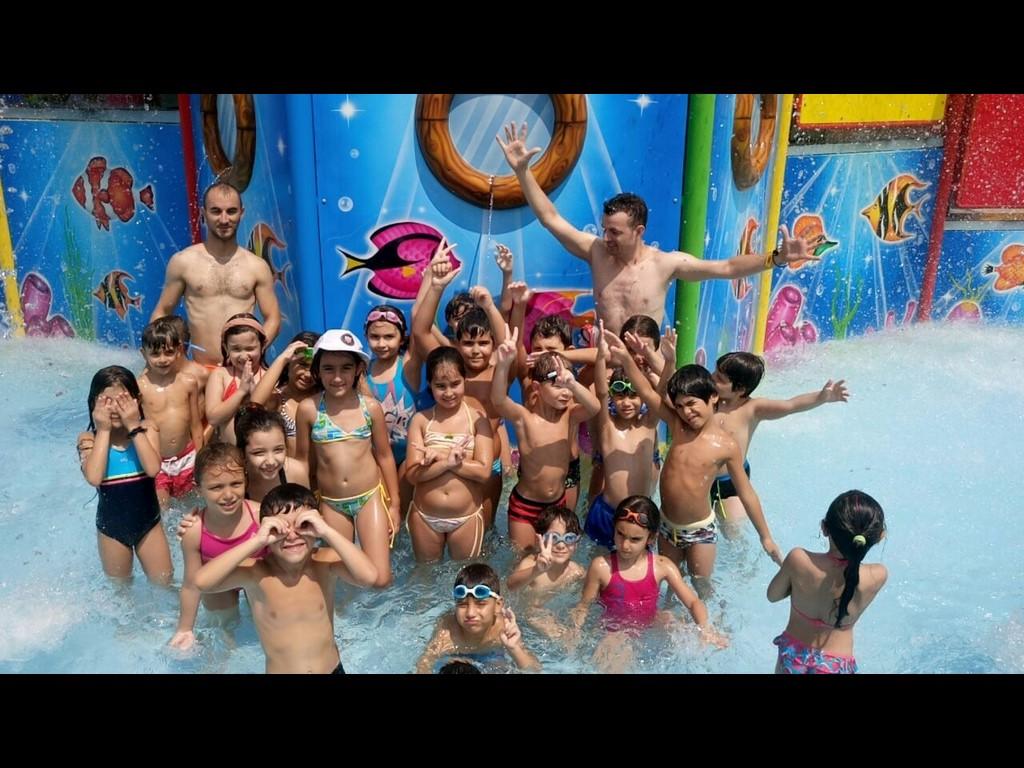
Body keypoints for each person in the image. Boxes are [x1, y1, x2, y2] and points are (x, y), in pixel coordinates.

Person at [497, 122, 813, 334]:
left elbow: (727, 267)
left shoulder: (665, 264)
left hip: (646, 366)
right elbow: (550, 218)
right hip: (606, 363)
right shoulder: (596, 252)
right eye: (605, 229)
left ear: (639, 231)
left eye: (615, 232)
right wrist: (523, 172)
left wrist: (775, 258)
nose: (606, 237)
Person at [605, 333, 782, 593]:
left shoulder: (726, 446)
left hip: (699, 531)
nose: (686, 412)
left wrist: (765, 536)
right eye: (679, 406)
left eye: (691, 404)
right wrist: (626, 359)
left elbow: (746, 492)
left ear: (713, 397)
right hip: (667, 526)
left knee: (701, 585)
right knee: (670, 586)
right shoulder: (678, 427)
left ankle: (709, 618)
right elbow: (646, 391)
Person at [194, 483, 378, 674]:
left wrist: (327, 531)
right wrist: (256, 541)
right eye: (279, 529)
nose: (292, 536)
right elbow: (201, 583)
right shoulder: (256, 572)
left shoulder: (324, 562)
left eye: (304, 525)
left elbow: (369, 577)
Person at [571, 496, 727, 673]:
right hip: (615, 630)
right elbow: (584, 606)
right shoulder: (601, 567)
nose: (625, 545)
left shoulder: (662, 566)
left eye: (635, 539)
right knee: (615, 654)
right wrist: (576, 632)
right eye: (620, 534)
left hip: (651, 622)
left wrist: (706, 630)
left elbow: (693, 602)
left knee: (679, 628)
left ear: (651, 538)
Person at [295, 329, 400, 587]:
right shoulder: (309, 409)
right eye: (328, 369)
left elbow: (385, 457)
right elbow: (302, 463)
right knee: (343, 582)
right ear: (317, 372)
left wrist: (395, 505)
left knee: (381, 580)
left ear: (358, 370)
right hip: (332, 503)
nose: (337, 377)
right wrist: (303, 508)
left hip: (369, 497)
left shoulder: (370, 408)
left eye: (346, 368)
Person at [711, 351, 848, 531]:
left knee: (733, 530)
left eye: (719, 378)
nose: (711, 377)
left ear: (740, 389)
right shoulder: (706, 399)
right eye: (715, 372)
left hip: (732, 482)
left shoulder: (752, 409)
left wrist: (821, 398)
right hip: (700, 476)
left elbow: (790, 405)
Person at [149, 181, 281, 367]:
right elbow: (162, 312)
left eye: (231, 211)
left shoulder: (257, 266)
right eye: (216, 211)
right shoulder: (183, 262)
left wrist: (251, 354)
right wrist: (167, 361)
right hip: (200, 370)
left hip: (243, 371)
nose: (224, 219)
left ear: (242, 213)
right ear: (203, 214)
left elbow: (273, 318)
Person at [767, 490, 887, 674]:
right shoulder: (877, 575)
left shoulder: (799, 560)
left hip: (793, 659)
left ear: (824, 528)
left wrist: (793, 574)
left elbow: (773, 596)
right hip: (835, 666)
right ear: (879, 537)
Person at [77, 365, 172, 584]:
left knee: (164, 582)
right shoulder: (89, 439)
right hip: (111, 531)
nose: (114, 408)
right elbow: (94, 477)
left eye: (122, 400)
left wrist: (133, 425)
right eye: (106, 401)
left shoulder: (147, 429)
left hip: (149, 525)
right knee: (120, 590)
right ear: (93, 404)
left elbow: (152, 469)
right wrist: (103, 430)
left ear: (137, 401)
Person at [168, 442, 260, 650]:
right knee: (222, 629)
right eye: (216, 487)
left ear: (245, 480)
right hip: (218, 584)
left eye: (235, 483)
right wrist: (184, 629)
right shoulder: (194, 531)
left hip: (255, 579)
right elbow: (191, 584)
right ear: (199, 489)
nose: (228, 495)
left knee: (265, 623)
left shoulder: (260, 517)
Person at [405, 347, 494, 561]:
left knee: (466, 576)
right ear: (429, 384)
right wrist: (447, 463)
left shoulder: (478, 420)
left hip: (467, 517)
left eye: (455, 384)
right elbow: (413, 475)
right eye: (440, 386)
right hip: (425, 516)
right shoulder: (421, 421)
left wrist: (442, 456)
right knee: (424, 577)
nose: (448, 392)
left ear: (465, 380)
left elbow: (484, 473)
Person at [416, 563, 540, 673]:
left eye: (480, 604)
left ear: (498, 605)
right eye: (462, 604)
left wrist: (514, 649)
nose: (470, 613)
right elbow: (423, 665)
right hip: (455, 658)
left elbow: (533, 669)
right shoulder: (447, 632)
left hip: (492, 656)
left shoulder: (502, 629)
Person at [137, 317, 204, 506]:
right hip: (158, 461)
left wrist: (200, 458)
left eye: (168, 352)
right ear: (144, 354)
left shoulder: (188, 382)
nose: (162, 359)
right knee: (162, 508)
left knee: (194, 506)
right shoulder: (140, 387)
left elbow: (196, 425)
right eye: (155, 354)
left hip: (188, 457)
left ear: (179, 350)